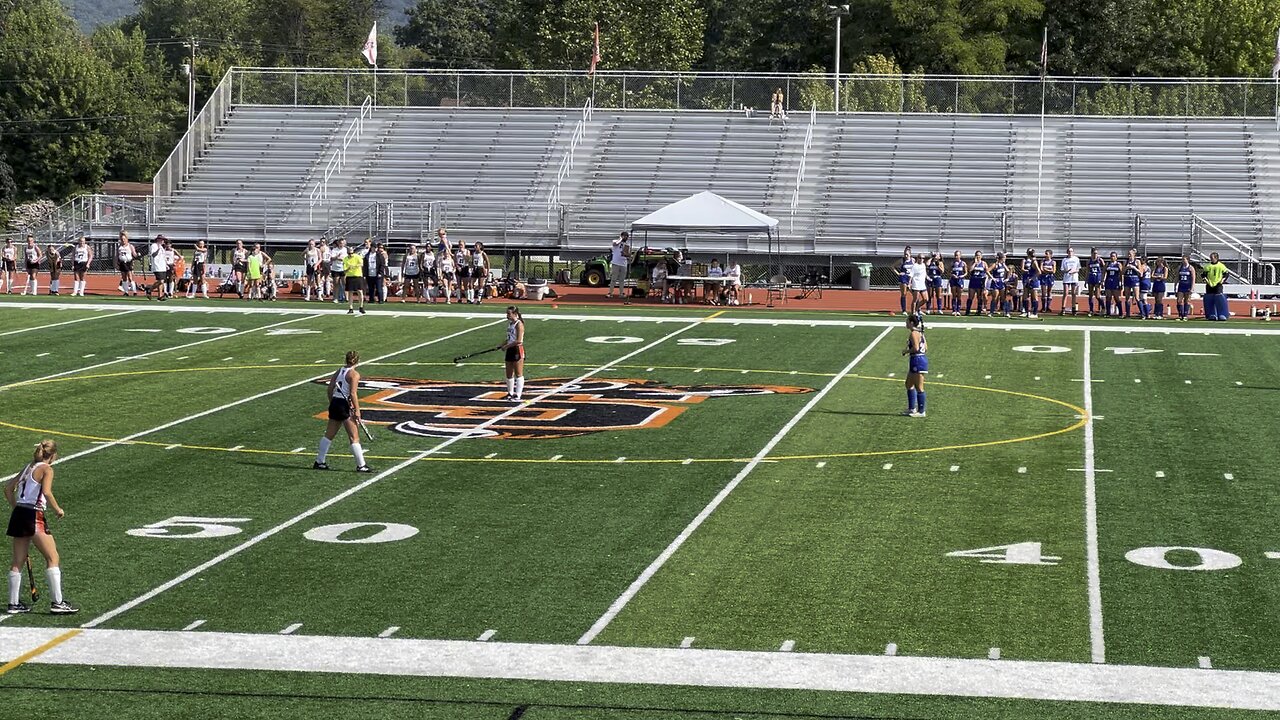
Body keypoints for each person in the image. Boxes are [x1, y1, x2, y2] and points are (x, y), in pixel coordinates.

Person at [6, 439, 77, 615]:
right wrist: (58, 509)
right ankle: (57, 602)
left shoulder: (27, 468)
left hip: (19, 514)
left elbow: (8, 489)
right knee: (53, 557)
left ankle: (13, 604)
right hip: (34, 516)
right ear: (53, 455)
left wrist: (17, 508)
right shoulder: (47, 469)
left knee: (17, 562)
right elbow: (46, 492)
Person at [312, 351, 372, 473]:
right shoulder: (354, 375)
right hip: (345, 406)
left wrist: (332, 402)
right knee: (354, 437)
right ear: (357, 361)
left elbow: (330, 389)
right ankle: (361, 465)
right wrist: (357, 411)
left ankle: (319, 461)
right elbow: (353, 393)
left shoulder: (339, 371)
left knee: (329, 435)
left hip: (335, 402)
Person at [901, 312, 928, 418]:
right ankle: (911, 408)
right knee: (908, 384)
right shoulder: (920, 333)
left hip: (917, 360)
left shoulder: (913, 334)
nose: (906, 323)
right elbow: (926, 347)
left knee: (919, 387)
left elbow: (916, 348)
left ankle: (921, 411)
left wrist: (906, 351)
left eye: (907, 321)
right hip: (917, 359)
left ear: (911, 323)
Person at [500, 306, 526, 402]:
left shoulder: (519, 324)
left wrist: (506, 346)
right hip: (510, 349)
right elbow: (509, 338)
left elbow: (518, 341)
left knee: (518, 373)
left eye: (509, 314)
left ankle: (518, 395)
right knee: (509, 373)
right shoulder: (510, 324)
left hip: (517, 349)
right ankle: (510, 393)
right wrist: (502, 344)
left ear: (515, 314)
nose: (507, 316)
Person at [1201, 252, 1229, 321]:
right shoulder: (1208, 266)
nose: (1211, 259)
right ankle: (1212, 314)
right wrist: (1206, 280)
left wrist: (1222, 281)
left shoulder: (1221, 266)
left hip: (1218, 284)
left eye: (1212, 258)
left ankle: (1221, 314)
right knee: (1210, 299)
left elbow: (1226, 274)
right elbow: (1203, 275)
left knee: (1219, 298)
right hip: (1210, 284)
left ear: (1216, 258)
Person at [344, 242, 366, 315]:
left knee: (360, 291)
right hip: (350, 276)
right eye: (349, 253)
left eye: (351, 253)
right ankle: (350, 307)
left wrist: (355, 265)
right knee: (350, 292)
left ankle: (361, 306)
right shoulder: (345, 259)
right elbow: (344, 270)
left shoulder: (357, 256)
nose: (350, 255)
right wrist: (348, 268)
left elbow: (361, 264)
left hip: (357, 276)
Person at [145, 235, 170, 301]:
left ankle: (160, 296)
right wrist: (158, 249)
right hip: (157, 266)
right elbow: (153, 255)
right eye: (162, 239)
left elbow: (163, 257)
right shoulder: (154, 245)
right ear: (158, 240)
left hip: (162, 266)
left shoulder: (162, 247)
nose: (163, 241)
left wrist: (166, 264)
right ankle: (149, 289)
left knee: (162, 282)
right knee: (160, 281)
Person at [607, 232, 631, 301]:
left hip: (623, 263)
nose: (626, 237)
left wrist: (625, 254)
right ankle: (610, 293)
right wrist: (620, 239)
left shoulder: (627, 244)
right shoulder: (615, 241)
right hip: (616, 262)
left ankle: (621, 293)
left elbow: (628, 254)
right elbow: (615, 244)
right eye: (624, 236)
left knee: (622, 279)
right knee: (613, 278)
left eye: (627, 236)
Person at [1059, 247, 1080, 316]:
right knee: (1065, 293)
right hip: (1067, 278)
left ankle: (1074, 309)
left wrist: (1074, 271)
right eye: (1069, 251)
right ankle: (1063, 309)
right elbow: (1062, 269)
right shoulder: (1064, 260)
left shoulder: (1076, 259)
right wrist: (1067, 271)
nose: (1070, 252)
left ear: (1073, 252)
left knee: (1073, 293)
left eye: (1071, 251)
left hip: (1074, 278)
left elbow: (1078, 269)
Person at [964, 250, 986, 315]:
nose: (978, 256)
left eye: (979, 255)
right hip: (973, 280)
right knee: (971, 296)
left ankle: (979, 310)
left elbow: (986, 271)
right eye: (977, 255)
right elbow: (970, 270)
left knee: (979, 296)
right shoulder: (972, 262)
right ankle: (968, 310)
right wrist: (975, 263)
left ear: (981, 256)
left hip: (980, 281)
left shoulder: (984, 263)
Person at [1020, 248, 1040, 318]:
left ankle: (1035, 313)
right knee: (1025, 295)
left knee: (1034, 296)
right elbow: (1022, 269)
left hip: (1033, 280)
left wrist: (1032, 278)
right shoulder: (1025, 260)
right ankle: (1025, 311)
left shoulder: (1034, 262)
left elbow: (1039, 272)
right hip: (1027, 279)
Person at [989, 251, 1010, 317]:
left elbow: (1008, 271)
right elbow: (987, 270)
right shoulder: (995, 264)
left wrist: (1007, 278)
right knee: (995, 297)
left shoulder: (1003, 265)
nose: (1005, 259)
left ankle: (1006, 312)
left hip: (1002, 282)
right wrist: (992, 278)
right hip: (996, 282)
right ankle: (992, 311)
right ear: (1001, 258)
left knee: (1003, 298)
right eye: (1004, 258)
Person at [116, 232, 137, 296]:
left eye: (124, 239)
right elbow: (117, 255)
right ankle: (126, 292)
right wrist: (117, 263)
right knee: (124, 278)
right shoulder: (119, 247)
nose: (123, 240)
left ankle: (134, 291)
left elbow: (134, 254)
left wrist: (137, 255)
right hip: (122, 263)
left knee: (130, 277)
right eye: (122, 239)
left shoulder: (130, 246)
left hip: (128, 262)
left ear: (127, 239)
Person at [1122, 249, 1142, 318]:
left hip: (1134, 280)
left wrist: (1134, 268)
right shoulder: (1125, 262)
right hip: (1127, 280)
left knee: (1137, 297)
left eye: (1130, 254)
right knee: (1127, 298)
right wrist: (1126, 268)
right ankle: (1127, 314)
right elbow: (1122, 272)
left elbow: (1141, 273)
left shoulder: (1137, 261)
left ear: (1134, 255)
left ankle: (1142, 313)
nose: (1129, 255)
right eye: (1128, 254)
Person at [1175, 255, 1195, 321]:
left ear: (1187, 260)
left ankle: (1185, 315)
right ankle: (1180, 315)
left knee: (1187, 301)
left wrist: (1192, 288)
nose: (1183, 261)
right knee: (1179, 300)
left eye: (1184, 259)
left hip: (1188, 286)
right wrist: (1175, 286)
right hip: (1181, 286)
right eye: (1182, 259)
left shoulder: (1190, 268)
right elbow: (1177, 277)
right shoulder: (1180, 267)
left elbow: (1193, 279)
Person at [1103, 251, 1122, 317]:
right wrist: (1102, 281)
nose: (1112, 257)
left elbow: (1121, 274)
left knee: (1116, 298)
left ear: (1116, 257)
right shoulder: (1107, 264)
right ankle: (1108, 313)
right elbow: (1104, 273)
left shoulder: (1118, 264)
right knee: (1108, 297)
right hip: (1108, 282)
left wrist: (1121, 283)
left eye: (1113, 256)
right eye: (1111, 256)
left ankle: (1121, 313)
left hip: (1115, 282)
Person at [1085, 248, 1103, 316]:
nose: (1095, 255)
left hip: (1097, 278)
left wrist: (1102, 279)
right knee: (1090, 295)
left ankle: (1103, 307)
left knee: (1097, 296)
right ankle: (1091, 310)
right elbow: (1087, 270)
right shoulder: (1089, 261)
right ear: (1091, 253)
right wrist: (1086, 280)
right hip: (1091, 278)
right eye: (1094, 253)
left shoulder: (1099, 260)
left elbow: (1104, 268)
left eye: (1096, 253)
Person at [329, 239, 348, 304]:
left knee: (344, 283)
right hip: (335, 268)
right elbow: (332, 258)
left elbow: (346, 258)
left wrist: (340, 259)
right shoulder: (334, 250)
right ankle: (335, 298)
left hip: (343, 268)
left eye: (342, 243)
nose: (341, 244)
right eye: (340, 243)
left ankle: (346, 298)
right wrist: (337, 257)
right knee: (336, 284)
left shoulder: (345, 250)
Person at [895, 247, 914, 314]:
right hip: (903, 278)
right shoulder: (902, 260)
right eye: (904, 254)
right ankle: (904, 310)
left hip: (910, 278)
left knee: (915, 294)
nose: (905, 256)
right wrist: (898, 273)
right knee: (904, 294)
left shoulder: (913, 260)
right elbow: (893, 266)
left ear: (910, 254)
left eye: (907, 254)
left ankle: (917, 309)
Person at [948, 250, 966, 315]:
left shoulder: (963, 263)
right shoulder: (952, 263)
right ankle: (953, 310)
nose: (956, 256)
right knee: (953, 295)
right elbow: (949, 272)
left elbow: (966, 272)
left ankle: (958, 310)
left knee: (959, 295)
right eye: (955, 255)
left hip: (960, 280)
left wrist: (962, 276)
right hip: (953, 280)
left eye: (957, 255)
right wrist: (952, 275)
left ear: (960, 256)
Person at [1039, 249, 1056, 314]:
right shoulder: (1042, 261)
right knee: (1043, 291)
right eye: (1045, 253)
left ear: (1050, 255)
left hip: (1050, 277)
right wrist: (1049, 270)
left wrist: (1046, 269)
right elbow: (1041, 269)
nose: (1045, 255)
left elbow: (1053, 271)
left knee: (1049, 291)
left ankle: (1048, 307)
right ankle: (1043, 307)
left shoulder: (1053, 262)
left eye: (1047, 253)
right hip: (1043, 277)